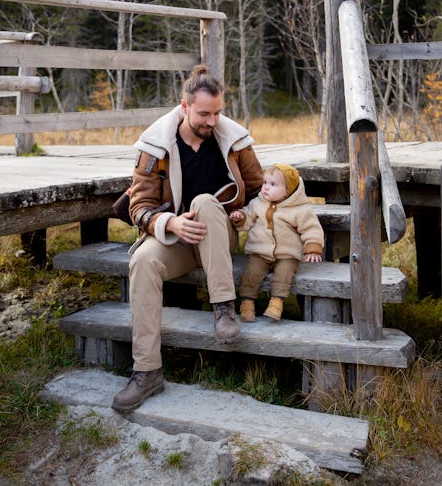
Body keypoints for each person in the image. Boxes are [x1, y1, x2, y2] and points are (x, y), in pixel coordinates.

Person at [112, 64, 263, 414]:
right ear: (184, 106)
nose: (212, 122)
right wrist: (171, 224)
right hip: (179, 241)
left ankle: (223, 308)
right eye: (204, 114)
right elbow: (140, 207)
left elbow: (259, 191)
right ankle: (147, 371)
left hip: (218, 239)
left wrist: (245, 215)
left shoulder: (234, 141)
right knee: (143, 260)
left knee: (205, 202)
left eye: (218, 113)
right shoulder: (156, 147)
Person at [229, 163, 324, 322]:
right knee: (251, 274)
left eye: (273, 184)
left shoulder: (300, 210)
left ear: (288, 191)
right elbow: (248, 218)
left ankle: (276, 302)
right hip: (261, 252)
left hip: (287, 254)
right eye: (265, 182)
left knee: (284, 274)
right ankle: (247, 303)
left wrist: (313, 248)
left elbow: (311, 229)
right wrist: (240, 217)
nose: (265, 187)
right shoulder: (257, 204)